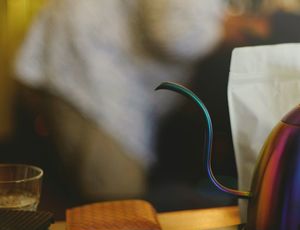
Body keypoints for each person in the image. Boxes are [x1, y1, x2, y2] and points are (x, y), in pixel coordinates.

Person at [14, 0, 226, 202]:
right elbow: (175, 33)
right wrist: (229, 27)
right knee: (119, 208)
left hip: (84, 60)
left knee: (107, 207)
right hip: (90, 73)